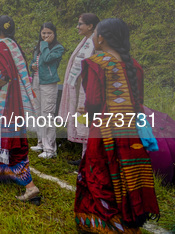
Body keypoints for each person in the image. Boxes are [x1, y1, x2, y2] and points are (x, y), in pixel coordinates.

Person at [75, 18, 159, 232]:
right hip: (132, 133)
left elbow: (93, 101)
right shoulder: (135, 66)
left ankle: (106, 225)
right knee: (125, 177)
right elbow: (137, 100)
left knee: (100, 176)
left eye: (96, 34)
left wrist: (86, 111)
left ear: (101, 38)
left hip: (105, 132)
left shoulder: (96, 63)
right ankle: (129, 221)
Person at [0, 15, 40, 203]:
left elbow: (6, 73)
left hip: (6, 100)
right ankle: (0, 171)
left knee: (9, 139)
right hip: (15, 99)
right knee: (6, 134)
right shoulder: (12, 43)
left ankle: (30, 186)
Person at [58, 13, 100, 165]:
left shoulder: (96, 43)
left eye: (80, 24)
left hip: (88, 90)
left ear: (90, 26)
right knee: (83, 120)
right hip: (80, 87)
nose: (77, 27)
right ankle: (85, 158)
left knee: (88, 121)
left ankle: (89, 159)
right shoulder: (86, 41)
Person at [30, 22, 65, 159]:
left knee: (47, 115)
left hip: (49, 83)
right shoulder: (38, 47)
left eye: (48, 33)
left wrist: (44, 45)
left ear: (54, 34)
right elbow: (36, 62)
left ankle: (50, 149)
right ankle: (41, 144)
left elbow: (47, 58)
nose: (45, 36)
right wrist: (31, 65)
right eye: (43, 33)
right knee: (38, 113)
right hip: (37, 81)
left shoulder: (58, 48)